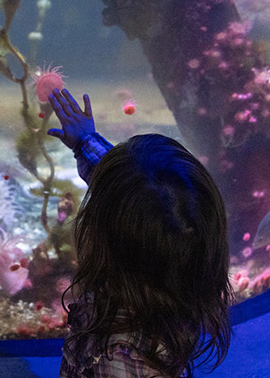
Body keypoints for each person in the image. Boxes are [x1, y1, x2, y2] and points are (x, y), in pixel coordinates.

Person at [47, 88, 233, 377]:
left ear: (108, 240)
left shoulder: (119, 358)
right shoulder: (178, 251)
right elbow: (133, 194)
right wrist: (86, 142)